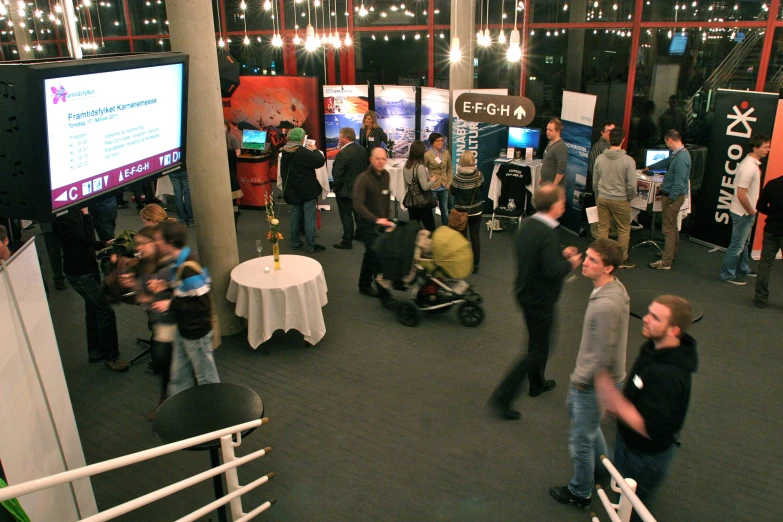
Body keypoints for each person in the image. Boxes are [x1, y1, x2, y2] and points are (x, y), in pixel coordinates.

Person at [596, 295, 698, 511]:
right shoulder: (655, 347)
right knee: (623, 492)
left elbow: (653, 428)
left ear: (674, 330)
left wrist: (615, 402)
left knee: (632, 506)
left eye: (655, 317)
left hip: (642, 456)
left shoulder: (668, 376)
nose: (645, 319)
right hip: (629, 444)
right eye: (649, 312)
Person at [490, 185, 583, 420]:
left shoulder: (529, 225)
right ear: (553, 207)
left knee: (537, 342)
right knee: (537, 349)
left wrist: (559, 255)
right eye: (562, 202)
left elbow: (537, 258)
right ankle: (503, 396)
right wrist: (570, 264)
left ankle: (537, 383)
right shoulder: (548, 233)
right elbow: (552, 270)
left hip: (526, 293)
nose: (564, 205)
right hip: (539, 298)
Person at [549, 238, 629, 510]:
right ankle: (602, 470)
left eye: (593, 260)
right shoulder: (615, 289)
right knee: (584, 422)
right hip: (595, 380)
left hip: (592, 383)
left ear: (608, 268)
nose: (585, 262)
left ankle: (580, 491)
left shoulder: (605, 305)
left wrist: (582, 382)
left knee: (580, 440)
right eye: (588, 256)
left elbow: (602, 355)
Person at [52, 207, 128, 372]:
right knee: (105, 311)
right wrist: (87, 215)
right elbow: (86, 238)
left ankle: (95, 350)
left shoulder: (72, 214)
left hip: (87, 268)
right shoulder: (65, 218)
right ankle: (111, 356)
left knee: (92, 309)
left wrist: (103, 244)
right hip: (80, 273)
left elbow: (87, 243)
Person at [150, 221, 220, 396]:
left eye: (159, 239)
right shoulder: (180, 261)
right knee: (179, 376)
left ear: (170, 241)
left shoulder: (188, 268)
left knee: (206, 379)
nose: (156, 243)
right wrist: (166, 285)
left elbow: (202, 305)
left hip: (196, 332)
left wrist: (170, 304)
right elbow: (190, 291)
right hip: (184, 328)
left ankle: (216, 414)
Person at [720, 134, 770, 285]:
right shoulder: (749, 167)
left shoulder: (752, 164)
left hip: (745, 212)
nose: (768, 149)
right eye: (765, 147)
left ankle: (743, 268)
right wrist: (750, 211)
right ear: (756, 148)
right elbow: (741, 193)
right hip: (743, 212)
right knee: (737, 245)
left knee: (743, 243)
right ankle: (727, 274)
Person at [353, 146, 394, 304]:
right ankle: (384, 295)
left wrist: (387, 219)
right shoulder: (363, 179)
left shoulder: (387, 176)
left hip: (383, 223)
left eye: (383, 159)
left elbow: (385, 200)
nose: (381, 162)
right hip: (367, 224)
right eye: (378, 159)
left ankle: (363, 284)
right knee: (376, 255)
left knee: (371, 255)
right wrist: (375, 219)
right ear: (371, 159)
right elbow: (358, 205)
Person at [645, 129, 691, 270]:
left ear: (670, 140)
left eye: (666, 142)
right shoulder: (678, 154)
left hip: (673, 197)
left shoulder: (682, 159)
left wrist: (670, 199)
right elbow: (666, 161)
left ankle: (666, 262)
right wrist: (650, 167)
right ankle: (670, 254)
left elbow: (678, 183)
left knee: (668, 229)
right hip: (673, 197)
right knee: (672, 227)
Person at [594, 127, 637, 268]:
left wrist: (599, 195)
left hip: (602, 198)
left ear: (609, 139)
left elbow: (595, 181)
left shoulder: (599, 158)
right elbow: (631, 185)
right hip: (620, 199)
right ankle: (622, 259)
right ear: (623, 140)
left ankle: (600, 257)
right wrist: (629, 198)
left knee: (602, 228)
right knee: (623, 229)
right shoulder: (628, 161)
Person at [279, 127, 327, 253]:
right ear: (302, 139)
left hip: (292, 191)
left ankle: (295, 242)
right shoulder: (302, 152)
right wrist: (315, 150)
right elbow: (319, 161)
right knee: (309, 218)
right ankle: (310, 245)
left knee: (295, 216)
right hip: (307, 190)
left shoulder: (285, 152)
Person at [332, 127, 369, 249]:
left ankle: (347, 241)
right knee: (358, 213)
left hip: (345, 191)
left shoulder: (343, 154)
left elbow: (338, 175)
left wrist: (336, 189)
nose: (339, 138)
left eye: (340, 135)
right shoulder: (362, 150)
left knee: (346, 215)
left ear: (345, 138)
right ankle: (360, 234)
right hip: (359, 189)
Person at [451, 151, 485, 273]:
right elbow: (481, 188)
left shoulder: (458, 178)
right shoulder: (479, 175)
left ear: (461, 161)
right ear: (472, 161)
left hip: (461, 213)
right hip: (476, 211)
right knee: (475, 236)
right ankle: (476, 264)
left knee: (462, 237)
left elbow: (452, 192)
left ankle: (463, 262)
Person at [754, 175, 783, 308]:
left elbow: (760, 206)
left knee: (765, 264)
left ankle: (760, 298)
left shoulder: (772, 184)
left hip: (771, 229)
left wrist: (772, 213)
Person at [587, 121, 615, 239]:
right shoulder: (599, 149)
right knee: (598, 211)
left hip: (609, 187)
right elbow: (594, 171)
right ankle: (596, 234)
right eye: (608, 131)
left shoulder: (611, 147)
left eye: (613, 131)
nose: (611, 134)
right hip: (600, 186)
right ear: (602, 133)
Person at [403, 140, 437, 232]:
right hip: (422, 203)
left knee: (414, 230)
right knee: (431, 229)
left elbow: (406, 183)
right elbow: (425, 187)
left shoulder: (406, 165)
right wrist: (433, 180)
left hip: (412, 202)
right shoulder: (420, 167)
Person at [424, 132, 453, 226]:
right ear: (433, 142)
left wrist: (449, 181)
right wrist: (427, 181)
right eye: (438, 141)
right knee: (431, 209)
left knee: (444, 209)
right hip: (433, 186)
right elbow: (422, 169)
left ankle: (446, 228)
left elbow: (450, 168)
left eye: (442, 140)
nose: (441, 142)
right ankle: (432, 229)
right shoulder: (428, 155)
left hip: (444, 185)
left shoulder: (446, 153)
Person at [225, 119, 244, 229]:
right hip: (230, 177)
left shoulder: (231, 138)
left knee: (233, 203)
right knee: (232, 203)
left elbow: (237, 151)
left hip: (230, 177)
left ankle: (233, 226)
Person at [541, 117, 568, 187]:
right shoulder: (550, 143)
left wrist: (554, 186)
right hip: (546, 184)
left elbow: (561, 169)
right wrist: (542, 178)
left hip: (554, 189)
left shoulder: (560, 147)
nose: (547, 132)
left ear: (558, 131)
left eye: (550, 130)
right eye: (547, 129)